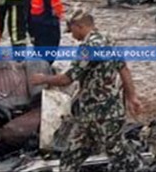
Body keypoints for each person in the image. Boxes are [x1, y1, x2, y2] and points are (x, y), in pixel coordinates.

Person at [29, 10, 145, 172]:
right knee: (72, 154)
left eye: (72, 31)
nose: (72, 36)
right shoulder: (109, 40)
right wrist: (132, 97)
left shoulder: (88, 48)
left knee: (120, 155)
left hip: (103, 115)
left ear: (80, 26)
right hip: (91, 116)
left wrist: (43, 79)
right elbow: (124, 69)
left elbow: (67, 79)